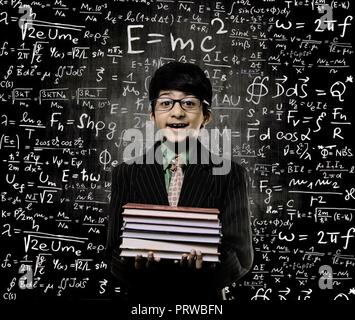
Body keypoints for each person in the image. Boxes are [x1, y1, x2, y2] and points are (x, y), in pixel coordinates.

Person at [105, 62, 253, 301]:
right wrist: (138, 269)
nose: (177, 112)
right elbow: (112, 251)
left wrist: (203, 272)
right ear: (152, 114)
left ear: (206, 116)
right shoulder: (126, 173)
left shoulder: (230, 174)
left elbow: (241, 255)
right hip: (144, 300)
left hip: (203, 301)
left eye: (189, 103)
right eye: (166, 102)